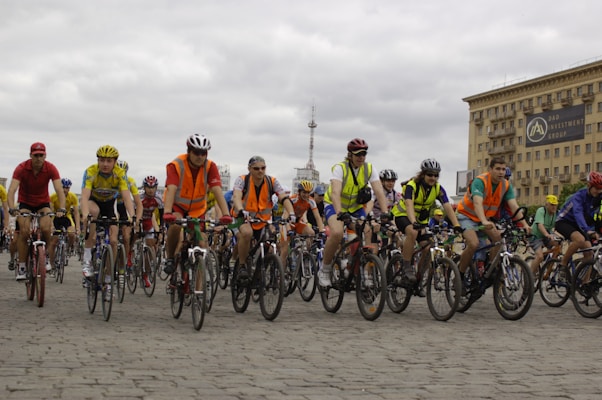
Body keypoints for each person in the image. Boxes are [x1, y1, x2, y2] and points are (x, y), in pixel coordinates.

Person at [317, 138, 390, 288]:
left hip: (356, 207)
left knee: (367, 230)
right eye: (357, 154)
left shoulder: (369, 168)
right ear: (350, 155)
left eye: (364, 154)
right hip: (335, 204)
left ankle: (362, 270)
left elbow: (378, 191)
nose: (361, 157)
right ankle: (325, 269)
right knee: (337, 233)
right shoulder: (340, 168)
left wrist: (385, 212)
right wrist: (339, 212)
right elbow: (335, 192)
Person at [162, 134, 232, 275]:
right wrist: (167, 212)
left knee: (202, 245)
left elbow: (217, 190)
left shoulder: (210, 166)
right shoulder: (176, 165)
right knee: (175, 225)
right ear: (188, 151)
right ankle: (170, 257)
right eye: (196, 152)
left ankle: (199, 293)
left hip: (197, 209)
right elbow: (171, 188)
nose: (200, 156)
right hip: (177, 206)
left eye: (203, 153)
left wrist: (226, 214)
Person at [391, 158, 461, 285]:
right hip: (403, 215)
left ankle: (419, 277)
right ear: (423, 174)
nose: (433, 178)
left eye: (436, 175)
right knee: (412, 232)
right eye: (429, 174)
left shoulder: (438, 188)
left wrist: (456, 225)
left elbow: (447, 207)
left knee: (429, 246)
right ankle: (406, 267)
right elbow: (408, 205)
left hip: (420, 220)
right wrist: (413, 221)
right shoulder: (412, 186)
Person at [456, 157, 527, 277]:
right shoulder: (480, 181)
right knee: (474, 244)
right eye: (498, 169)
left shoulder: (506, 185)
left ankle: (489, 270)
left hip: (484, 220)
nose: (501, 172)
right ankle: (460, 274)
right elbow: (478, 202)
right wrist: (483, 220)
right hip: (466, 216)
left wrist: (524, 224)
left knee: (499, 240)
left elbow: (514, 205)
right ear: (490, 169)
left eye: (503, 169)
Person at [7, 142, 66, 281]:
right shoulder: (21, 168)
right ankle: (22, 266)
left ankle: (44, 257)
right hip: (25, 203)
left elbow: (59, 190)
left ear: (45, 155)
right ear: (30, 156)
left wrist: (62, 208)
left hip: (42, 203)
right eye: (35, 156)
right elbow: (11, 190)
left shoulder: (51, 168)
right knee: (24, 231)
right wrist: (11, 208)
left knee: (46, 228)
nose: (38, 158)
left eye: (41, 155)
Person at [231, 155, 295, 281]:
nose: (260, 171)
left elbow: (283, 198)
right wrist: (240, 210)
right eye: (256, 168)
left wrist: (291, 213)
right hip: (242, 217)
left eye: (263, 168)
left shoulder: (272, 181)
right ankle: (242, 265)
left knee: (270, 243)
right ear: (249, 169)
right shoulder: (242, 180)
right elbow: (237, 196)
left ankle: (260, 273)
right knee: (247, 233)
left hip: (262, 220)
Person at [80, 145, 136, 282]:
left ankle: (109, 275)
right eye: (102, 160)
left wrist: (132, 216)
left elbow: (126, 197)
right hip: (94, 202)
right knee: (93, 213)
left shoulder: (120, 173)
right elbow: (85, 196)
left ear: (115, 162)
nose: (105, 164)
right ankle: (87, 260)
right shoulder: (91, 171)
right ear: (98, 161)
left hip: (110, 205)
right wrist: (85, 215)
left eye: (109, 161)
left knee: (114, 240)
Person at [554, 171, 602, 270]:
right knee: (579, 240)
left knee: (589, 252)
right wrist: (587, 230)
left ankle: (584, 283)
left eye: (600, 189)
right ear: (589, 185)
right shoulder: (579, 196)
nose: (598, 191)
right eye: (596, 188)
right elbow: (578, 213)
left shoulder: (596, 197)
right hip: (564, 221)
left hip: (577, 225)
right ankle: (563, 264)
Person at [280, 180, 325, 268]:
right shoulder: (293, 199)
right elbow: (285, 215)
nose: (306, 195)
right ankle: (282, 274)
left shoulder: (311, 201)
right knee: (284, 250)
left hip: (297, 223)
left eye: (308, 193)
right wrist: (289, 229)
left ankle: (306, 254)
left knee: (311, 233)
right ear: (299, 192)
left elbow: (318, 217)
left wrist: (321, 231)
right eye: (304, 192)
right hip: (286, 223)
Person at [114, 160, 143, 268]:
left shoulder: (130, 181)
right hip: (112, 205)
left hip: (124, 206)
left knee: (126, 236)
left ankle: (124, 263)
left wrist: (136, 220)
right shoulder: (110, 181)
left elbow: (138, 204)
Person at [48, 178, 81, 273]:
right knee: (53, 241)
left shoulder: (73, 197)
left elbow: (76, 213)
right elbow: (50, 212)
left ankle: (69, 248)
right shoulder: (53, 196)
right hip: (55, 217)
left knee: (71, 234)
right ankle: (52, 263)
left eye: (67, 188)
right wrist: (51, 226)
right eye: (63, 187)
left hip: (67, 217)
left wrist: (78, 227)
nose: (65, 190)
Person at [529, 194, 558, 277]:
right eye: (552, 205)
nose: (554, 207)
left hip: (546, 235)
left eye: (555, 205)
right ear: (546, 204)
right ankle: (529, 276)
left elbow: (556, 228)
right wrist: (547, 234)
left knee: (557, 244)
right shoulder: (541, 211)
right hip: (535, 236)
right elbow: (540, 225)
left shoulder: (556, 214)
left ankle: (550, 264)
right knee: (540, 256)